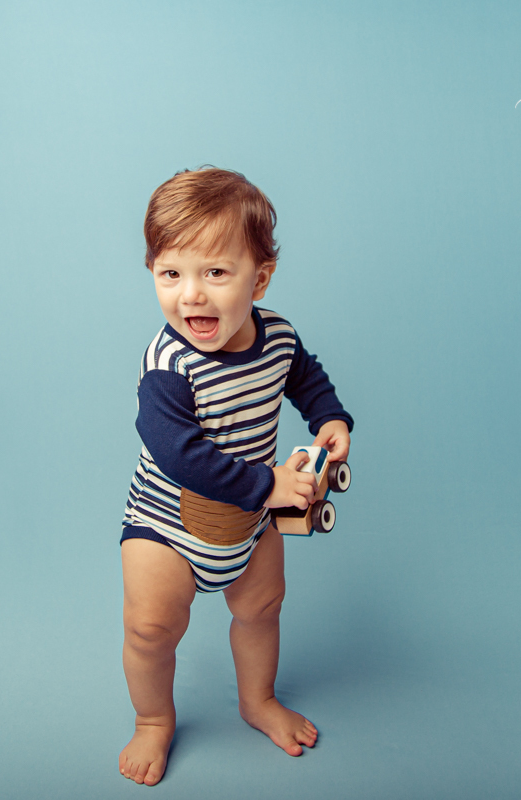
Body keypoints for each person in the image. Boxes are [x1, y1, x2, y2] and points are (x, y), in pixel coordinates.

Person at [119, 166, 354, 785]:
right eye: (171, 274)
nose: (191, 295)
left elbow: (305, 377)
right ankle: (153, 720)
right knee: (150, 628)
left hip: (250, 521)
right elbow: (180, 456)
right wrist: (268, 486)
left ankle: (258, 699)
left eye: (215, 273)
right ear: (152, 272)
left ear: (260, 278)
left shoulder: (277, 337)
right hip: (166, 525)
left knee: (262, 607)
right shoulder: (167, 365)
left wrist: (329, 417)